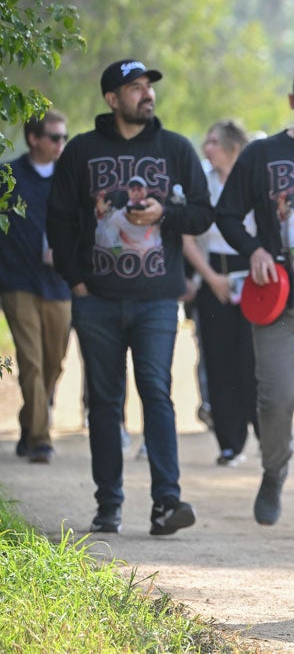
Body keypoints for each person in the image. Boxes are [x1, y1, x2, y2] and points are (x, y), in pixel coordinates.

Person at [46, 59, 212, 535]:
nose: (146, 94)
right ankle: (108, 504)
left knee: (156, 393)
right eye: (134, 87)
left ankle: (166, 503)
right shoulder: (80, 151)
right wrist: (75, 280)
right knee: (104, 401)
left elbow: (202, 214)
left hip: (158, 298)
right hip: (95, 297)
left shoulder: (175, 148)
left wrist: (168, 212)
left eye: (149, 86)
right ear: (112, 99)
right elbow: (58, 219)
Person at [215, 65, 294, 541]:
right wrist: (254, 251)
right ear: (292, 103)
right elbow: (226, 214)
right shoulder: (262, 155)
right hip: (278, 306)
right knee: (276, 401)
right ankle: (273, 472)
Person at [1, 109, 72, 463]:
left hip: (59, 283)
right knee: (30, 360)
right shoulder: (7, 176)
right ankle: (42, 440)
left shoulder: (69, 179)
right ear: (33, 138)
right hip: (16, 280)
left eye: (64, 137)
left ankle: (30, 422)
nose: (61, 144)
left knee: (54, 362)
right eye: (55, 137)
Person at [184, 119, 256, 466]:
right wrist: (211, 278)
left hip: (253, 278)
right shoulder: (202, 182)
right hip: (212, 277)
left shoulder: (253, 178)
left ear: (232, 146)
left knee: (252, 359)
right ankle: (229, 442)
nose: (206, 147)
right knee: (218, 361)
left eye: (212, 141)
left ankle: (262, 433)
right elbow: (187, 237)